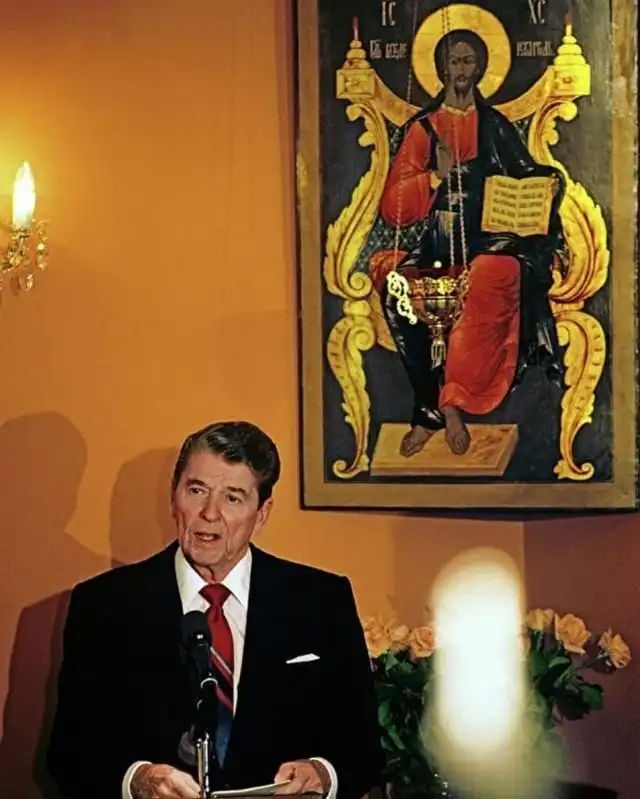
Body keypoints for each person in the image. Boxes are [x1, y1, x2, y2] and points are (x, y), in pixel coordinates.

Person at [47, 421, 382, 799]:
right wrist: (138, 780)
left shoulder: (322, 601)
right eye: (196, 490)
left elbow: (364, 751)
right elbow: (69, 754)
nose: (209, 513)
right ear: (174, 497)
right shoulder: (104, 604)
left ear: (262, 513)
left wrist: (322, 773)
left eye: (233, 498)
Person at [370, 30, 566, 458]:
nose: (460, 70)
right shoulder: (424, 128)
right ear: (442, 69)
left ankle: (454, 402)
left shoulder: (495, 125)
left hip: (492, 239)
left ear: (479, 68)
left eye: (467, 61)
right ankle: (429, 410)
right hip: (439, 242)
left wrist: (549, 183)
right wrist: (434, 177)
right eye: (453, 62)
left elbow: (526, 173)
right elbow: (393, 208)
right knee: (399, 293)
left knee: (490, 276)